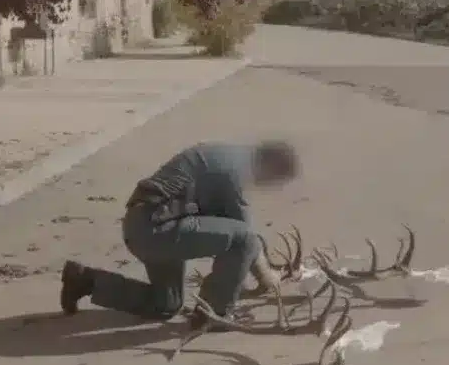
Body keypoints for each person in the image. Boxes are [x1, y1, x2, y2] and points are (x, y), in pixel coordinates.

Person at [58, 140, 300, 330]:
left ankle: (85, 281)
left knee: (166, 304)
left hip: (147, 224)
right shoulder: (233, 171)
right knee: (245, 239)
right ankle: (213, 313)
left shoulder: (230, 156)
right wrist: (269, 278)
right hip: (156, 228)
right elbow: (246, 238)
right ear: (270, 166)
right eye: (274, 179)